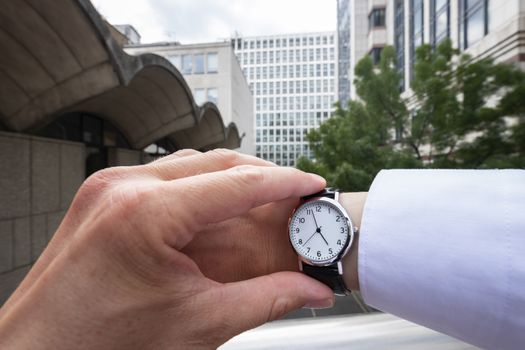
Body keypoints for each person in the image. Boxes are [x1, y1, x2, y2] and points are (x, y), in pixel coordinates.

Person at [0, 149, 522, 349]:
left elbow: (320, 230)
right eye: (314, 234)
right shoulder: (319, 230)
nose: (316, 237)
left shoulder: (317, 226)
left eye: (316, 233)